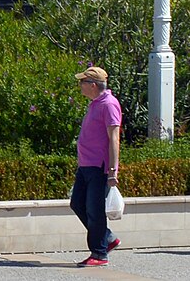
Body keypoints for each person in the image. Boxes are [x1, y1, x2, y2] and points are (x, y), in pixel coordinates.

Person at [70, 66, 122, 267]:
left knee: (94, 210)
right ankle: (107, 238)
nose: (80, 85)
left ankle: (99, 254)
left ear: (92, 85)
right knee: (77, 204)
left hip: (99, 167)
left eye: (82, 82)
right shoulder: (95, 103)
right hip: (86, 165)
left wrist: (112, 171)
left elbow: (114, 138)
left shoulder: (109, 104)